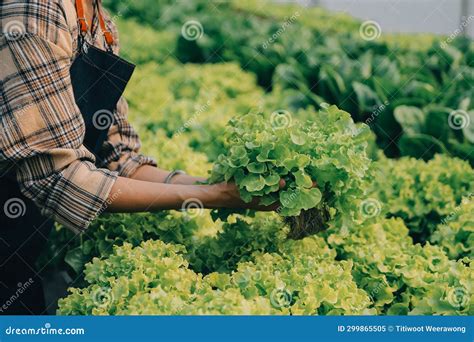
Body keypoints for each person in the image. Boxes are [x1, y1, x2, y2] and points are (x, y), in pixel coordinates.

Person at [0, 0, 280, 315]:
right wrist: (216, 196)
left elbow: (120, 160)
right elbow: (59, 176)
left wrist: (226, 185)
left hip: (21, 246)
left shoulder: (98, 23)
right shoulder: (32, 13)